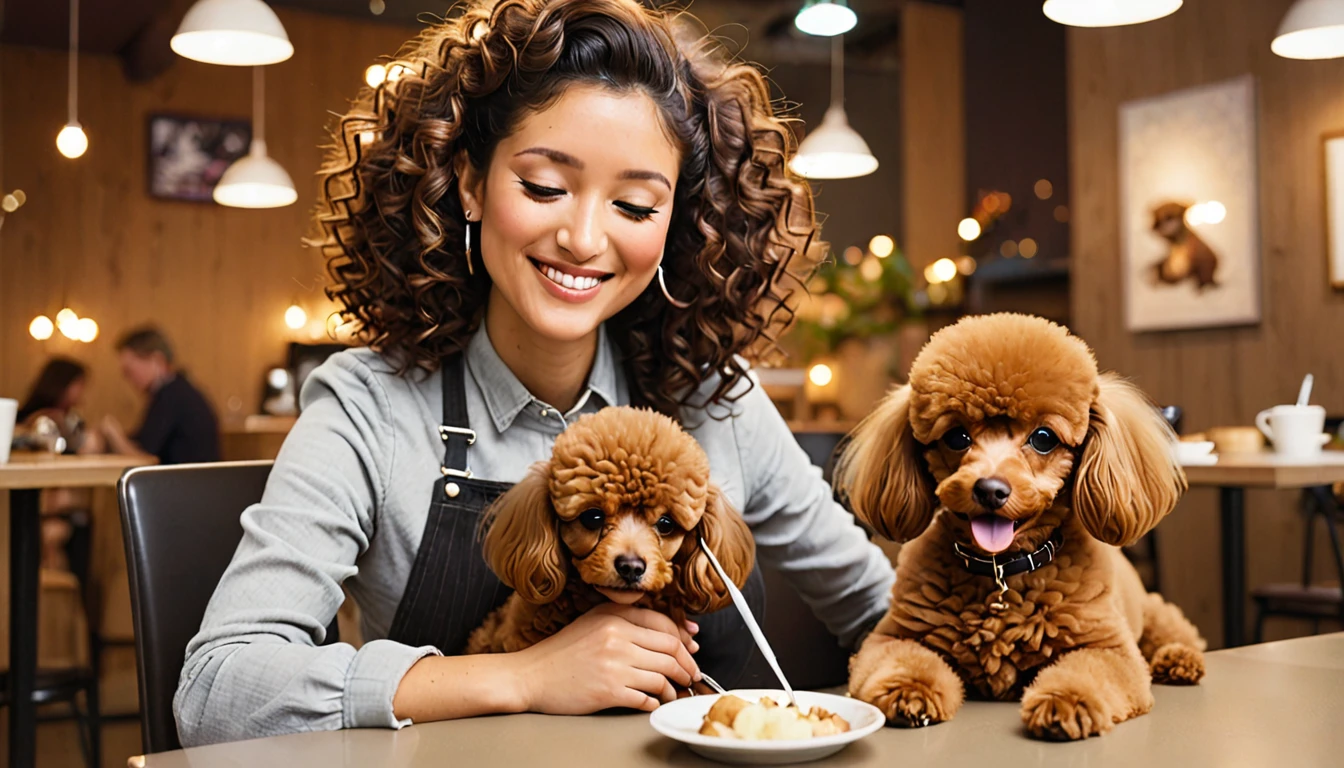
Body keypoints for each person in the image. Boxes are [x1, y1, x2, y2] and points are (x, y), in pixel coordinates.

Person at [175, 0, 894, 747]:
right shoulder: (370, 406)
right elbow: (220, 688)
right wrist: (525, 675)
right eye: (545, 187)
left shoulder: (713, 398)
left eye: (636, 204)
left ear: (675, 221)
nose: (583, 239)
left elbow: (888, 611)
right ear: (470, 184)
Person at [101, 326, 220, 465]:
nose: (128, 378)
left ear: (157, 360)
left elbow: (144, 461)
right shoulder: (175, 390)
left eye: (129, 370)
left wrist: (114, 435)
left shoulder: (172, 396)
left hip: (187, 484)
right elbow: (143, 441)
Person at [16, 357, 101, 454]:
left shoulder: (73, 420)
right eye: (79, 384)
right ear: (63, 384)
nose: (82, 390)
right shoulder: (30, 416)